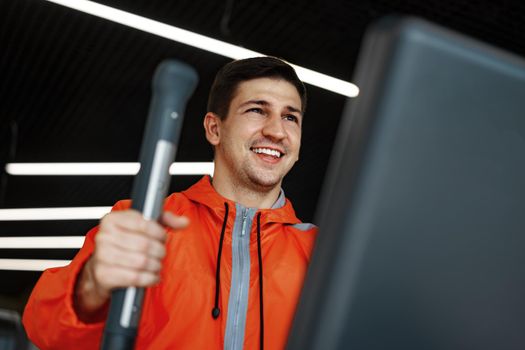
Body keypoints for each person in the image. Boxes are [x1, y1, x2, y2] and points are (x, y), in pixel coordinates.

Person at [23, 56, 318, 349]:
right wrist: (90, 288)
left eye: (290, 117)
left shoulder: (322, 255)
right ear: (214, 129)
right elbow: (45, 330)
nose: (277, 131)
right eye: (257, 110)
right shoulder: (144, 225)